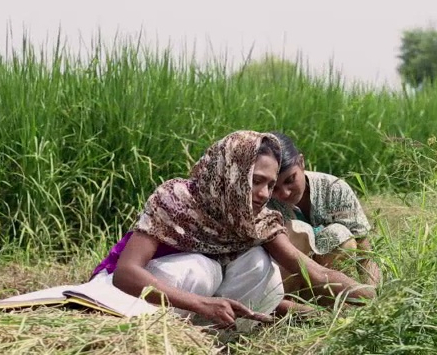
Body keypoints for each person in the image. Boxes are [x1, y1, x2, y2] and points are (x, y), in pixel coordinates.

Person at [91, 130, 375, 329]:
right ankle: (169, 330)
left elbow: (313, 272)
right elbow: (126, 274)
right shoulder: (176, 199)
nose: (265, 194)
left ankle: (219, 334)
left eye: (270, 185)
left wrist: (377, 303)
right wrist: (201, 304)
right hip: (146, 296)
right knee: (200, 267)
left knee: (260, 264)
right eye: (256, 181)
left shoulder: (257, 219)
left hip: (202, 306)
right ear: (232, 172)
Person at [267, 131, 382, 290]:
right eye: (274, 187)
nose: (285, 193)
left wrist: (374, 294)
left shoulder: (334, 188)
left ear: (301, 162)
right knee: (296, 231)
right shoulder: (263, 202)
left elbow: (364, 249)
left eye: (290, 180)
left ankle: (334, 301)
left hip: (333, 285)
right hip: (289, 284)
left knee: (340, 234)